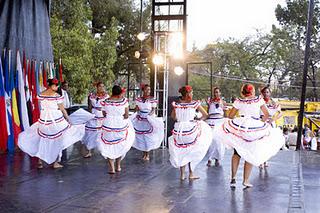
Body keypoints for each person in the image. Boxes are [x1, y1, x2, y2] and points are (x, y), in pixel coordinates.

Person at [212, 84, 285, 188]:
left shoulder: (239, 101)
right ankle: (245, 180)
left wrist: (238, 121)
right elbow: (266, 114)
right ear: (253, 91)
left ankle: (233, 178)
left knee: (236, 153)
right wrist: (261, 123)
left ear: (243, 91)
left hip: (241, 125)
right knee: (249, 152)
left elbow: (230, 116)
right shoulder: (258, 100)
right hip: (253, 127)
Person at [18, 78, 85, 169]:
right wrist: (68, 119)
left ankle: (40, 161)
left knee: (43, 139)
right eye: (57, 85)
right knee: (58, 139)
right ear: (52, 85)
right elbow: (62, 109)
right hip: (55, 119)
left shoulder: (41, 95)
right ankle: (55, 162)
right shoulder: (57, 96)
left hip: (44, 119)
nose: (57, 87)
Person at [168, 85, 212, 181]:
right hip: (190, 130)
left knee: (181, 150)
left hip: (179, 130)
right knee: (191, 150)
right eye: (191, 92)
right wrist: (198, 120)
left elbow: (173, 117)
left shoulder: (177, 105)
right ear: (188, 93)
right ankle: (191, 173)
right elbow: (206, 115)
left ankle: (182, 174)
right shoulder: (194, 104)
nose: (192, 94)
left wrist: (181, 117)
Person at [97, 85, 135, 174]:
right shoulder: (124, 101)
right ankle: (118, 165)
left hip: (108, 124)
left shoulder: (105, 101)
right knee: (120, 144)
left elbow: (103, 114)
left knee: (108, 145)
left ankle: (112, 168)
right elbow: (126, 115)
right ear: (119, 93)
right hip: (120, 124)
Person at [131, 84, 164, 160]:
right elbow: (137, 108)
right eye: (146, 89)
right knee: (142, 136)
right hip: (141, 118)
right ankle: (144, 153)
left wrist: (149, 116)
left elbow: (153, 110)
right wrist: (134, 115)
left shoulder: (152, 99)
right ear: (143, 90)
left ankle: (147, 154)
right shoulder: (139, 99)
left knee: (148, 136)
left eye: (149, 90)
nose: (148, 91)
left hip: (149, 118)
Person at [82, 82, 109, 158]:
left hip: (102, 115)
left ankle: (105, 151)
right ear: (97, 87)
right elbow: (89, 107)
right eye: (100, 86)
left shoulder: (106, 96)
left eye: (103, 86)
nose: (101, 88)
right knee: (90, 132)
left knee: (102, 133)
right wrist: (89, 116)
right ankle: (89, 151)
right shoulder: (91, 96)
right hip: (93, 115)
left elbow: (107, 107)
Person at [259, 86, 284, 168]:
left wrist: (273, 119)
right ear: (262, 93)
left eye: (267, 92)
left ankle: (265, 160)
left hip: (270, 124)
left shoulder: (274, 102)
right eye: (264, 92)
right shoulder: (259, 101)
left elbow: (280, 113)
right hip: (261, 123)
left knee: (268, 143)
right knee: (261, 142)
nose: (266, 93)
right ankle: (261, 161)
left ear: (270, 93)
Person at [206, 87, 227, 167]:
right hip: (211, 121)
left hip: (219, 121)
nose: (216, 94)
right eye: (215, 92)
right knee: (211, 141)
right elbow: (208, 112)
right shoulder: (210, 102)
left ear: (220, 93)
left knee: (219, 141)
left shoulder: (223, 102)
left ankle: (218, 159)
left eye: (218, 92)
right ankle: (209, 159)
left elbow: (225, 113)